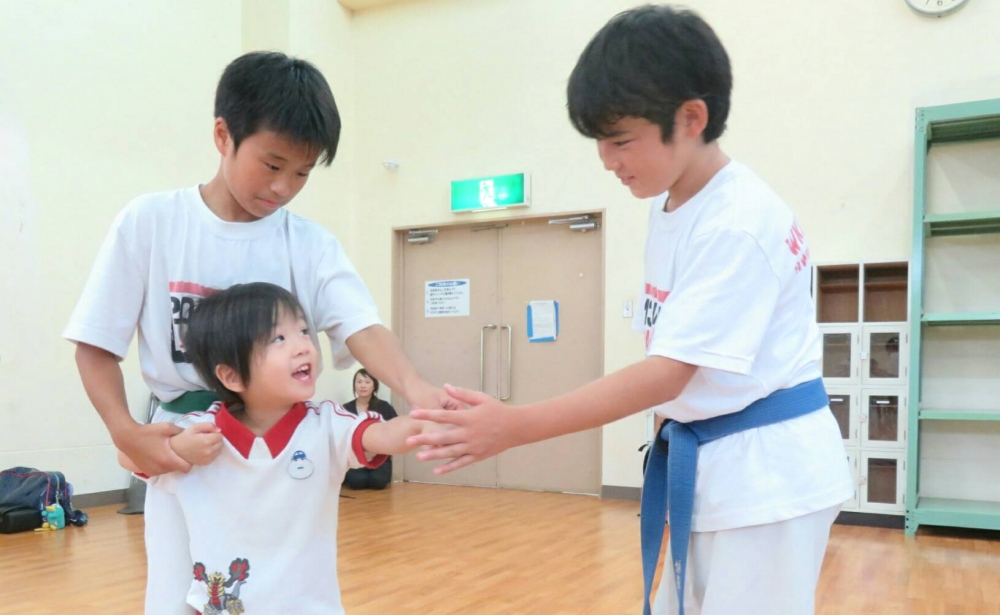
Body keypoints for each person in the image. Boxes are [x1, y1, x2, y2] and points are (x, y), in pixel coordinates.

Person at [406, 6, 852, 615]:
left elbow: (668, 373)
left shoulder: (737, 221)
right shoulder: (673, 203)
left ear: (690, 118)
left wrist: (515, 426)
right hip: (720, 466)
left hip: (766, 478)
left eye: (620, 140)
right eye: (600, 142)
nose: (607, 160)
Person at [63, 51, 455, 614]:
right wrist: (123, 429)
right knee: (178, 595)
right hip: (188, 444)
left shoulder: (310, 244)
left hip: (284, 446)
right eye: (271, 165)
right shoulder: (150, 222)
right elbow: (96, 344)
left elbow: (360, 325)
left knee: (287, 585)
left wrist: (417, 389)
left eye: (301, 172)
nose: (283, 188)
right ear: (223, 135)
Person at [124, 282, 434, 614]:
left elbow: (385, 435)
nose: (303, 346)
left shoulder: (327, 424)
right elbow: (129, 455)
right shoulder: (197, 432)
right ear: (231, 375)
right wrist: (176, 449)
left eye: (303, 330)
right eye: (279, 338)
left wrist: (436, 422)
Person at [343, 368, 398, 490]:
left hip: (379, 456)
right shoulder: (346, 408)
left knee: (378, 481)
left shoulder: (384, 407)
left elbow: (394, 429)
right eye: (359, 382)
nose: (363, 386)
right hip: (355, 457)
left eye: (367, 382)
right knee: (356, 482)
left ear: (374, 386)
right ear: (354, 385)